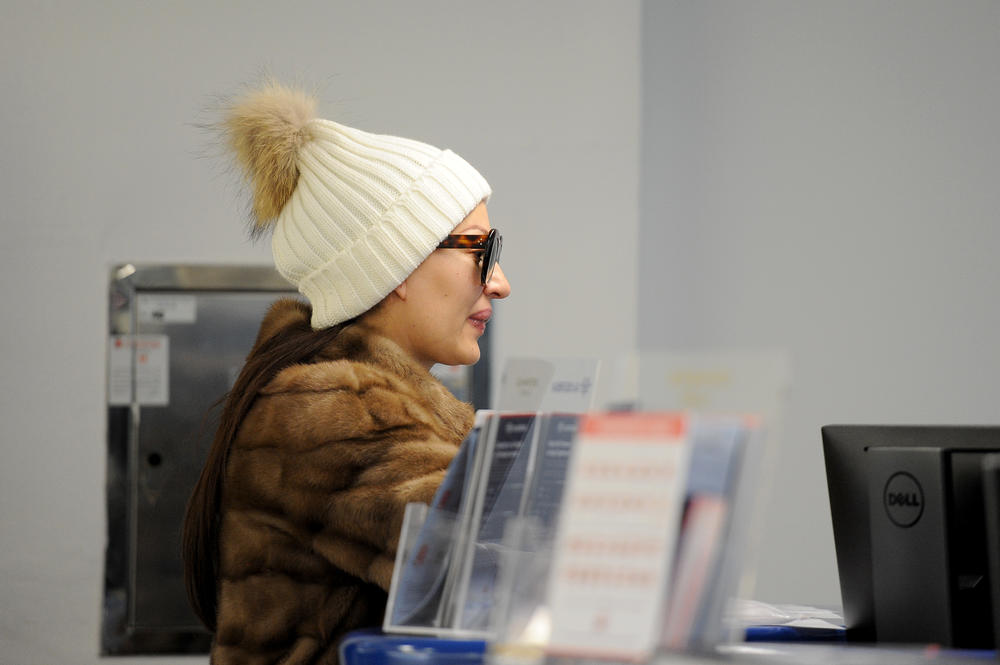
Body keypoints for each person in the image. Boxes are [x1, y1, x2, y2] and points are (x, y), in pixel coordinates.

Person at [182, 79, 511, 664]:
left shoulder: (367, 402)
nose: (500, 282)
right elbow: (479, 563)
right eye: (478, 252)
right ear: (399, 267)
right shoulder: (329, 410)